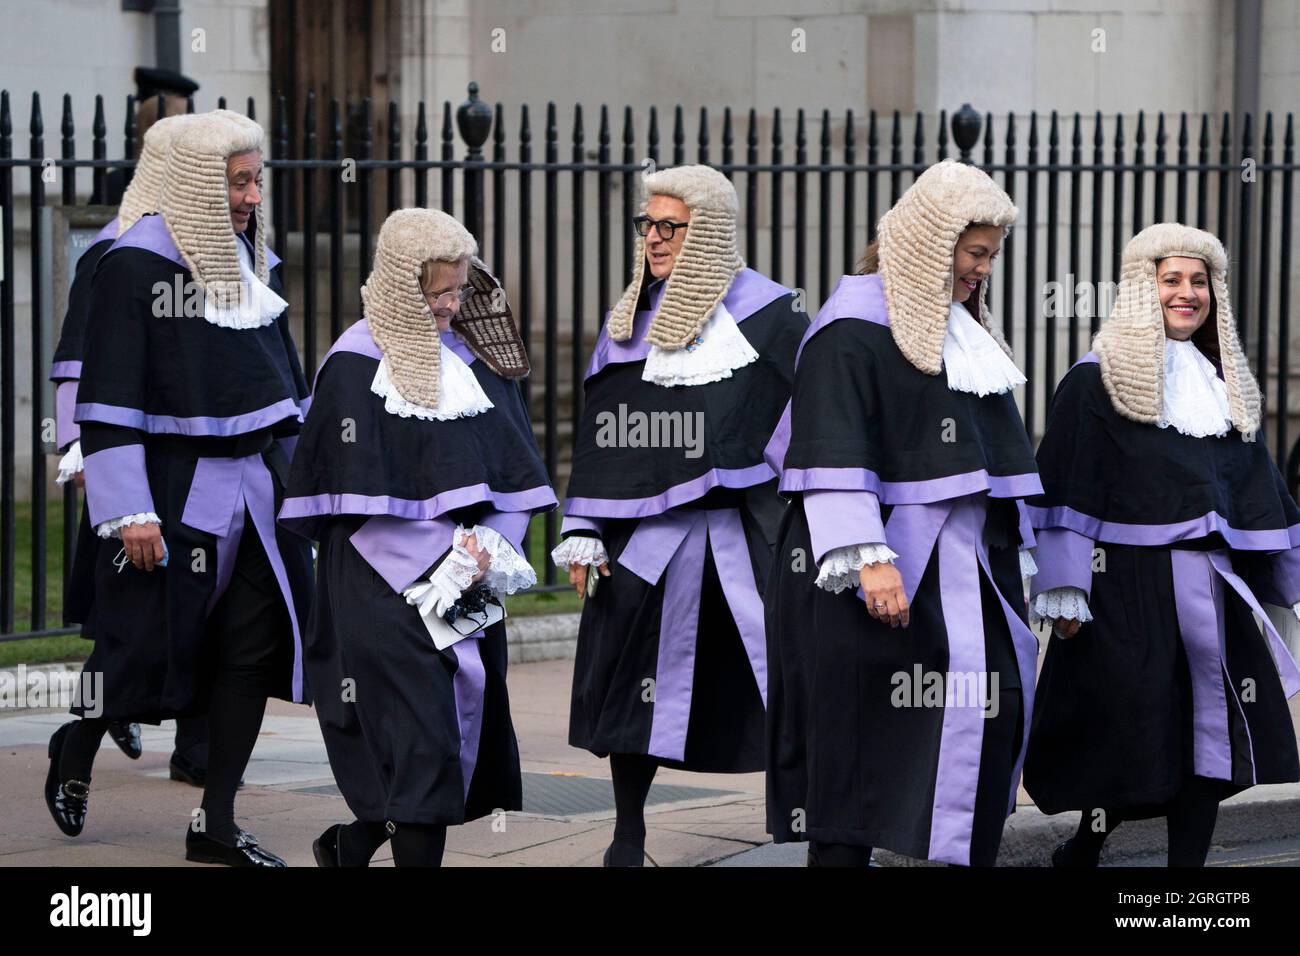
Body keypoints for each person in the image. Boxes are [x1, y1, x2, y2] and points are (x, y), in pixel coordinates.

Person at [43, 110, 313, 867]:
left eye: (257, 179)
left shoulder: (255, 264)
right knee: (129, 652)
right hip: (168, 489)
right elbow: (107, 391)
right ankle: (76, 741)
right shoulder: (129, 264)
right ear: (198, 182)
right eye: (239, 181)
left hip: (255, 493)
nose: (253, 195)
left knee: (248, 656)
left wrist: (317, 484)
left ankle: (216, 822)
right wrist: (126, 503)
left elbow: (285, 387)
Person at [764, 160, 1041, 867]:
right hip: (870, 584)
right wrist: (871, 558)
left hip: (969, 582)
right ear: (928, 242)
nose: (982, 270)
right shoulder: (846, 332)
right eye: (975, 253)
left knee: (990, 718)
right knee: (856, 751)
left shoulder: (965, 336)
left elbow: (996, 460)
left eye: (989, 256)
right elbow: (829, 446)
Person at [279, 208, 556, 867]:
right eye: (439, 292)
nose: (452, 305)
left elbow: (512, 472)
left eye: (460, 289)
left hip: (469, 573)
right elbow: (331, 495)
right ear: (404, 286)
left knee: (448, 738)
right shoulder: (351, 364)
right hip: (377, 583)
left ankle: (354, 843)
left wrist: (493, 547)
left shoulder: (478, 358)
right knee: (417, 735)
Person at [551, 164, 806, 866]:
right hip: (648, 543)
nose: (654, 240)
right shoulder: (628, 327)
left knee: (787, 678)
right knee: (635, 695)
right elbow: (604, 436)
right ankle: (626, 838)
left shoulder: (773, 314)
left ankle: (809, 821)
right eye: (648, 225)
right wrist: (583, 528)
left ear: (711, 233)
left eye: (671, 226)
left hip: (747, 537)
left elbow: (810, 415)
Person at [1024, 222, 1300, 867]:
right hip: (1124, 594)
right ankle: (1087, 844)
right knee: (1133, 738)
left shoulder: (1225, 386)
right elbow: (1064, 486)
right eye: (1171, 279)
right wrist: (1064, 591)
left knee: (1206, 746)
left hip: (1212, 592)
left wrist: (1288, 579)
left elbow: (1261, 491)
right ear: (1142, 289)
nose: (1187, 293)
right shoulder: (1093, 382)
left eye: (1198, 281)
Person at [51, 111, 227, 784]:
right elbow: (78, 360)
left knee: (215, 615)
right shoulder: (117, 251)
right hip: (138, 463)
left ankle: (199, 751)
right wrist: (83, 455)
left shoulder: (217, 251)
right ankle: (78, 740)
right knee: (130, 631)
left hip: (207, 462)